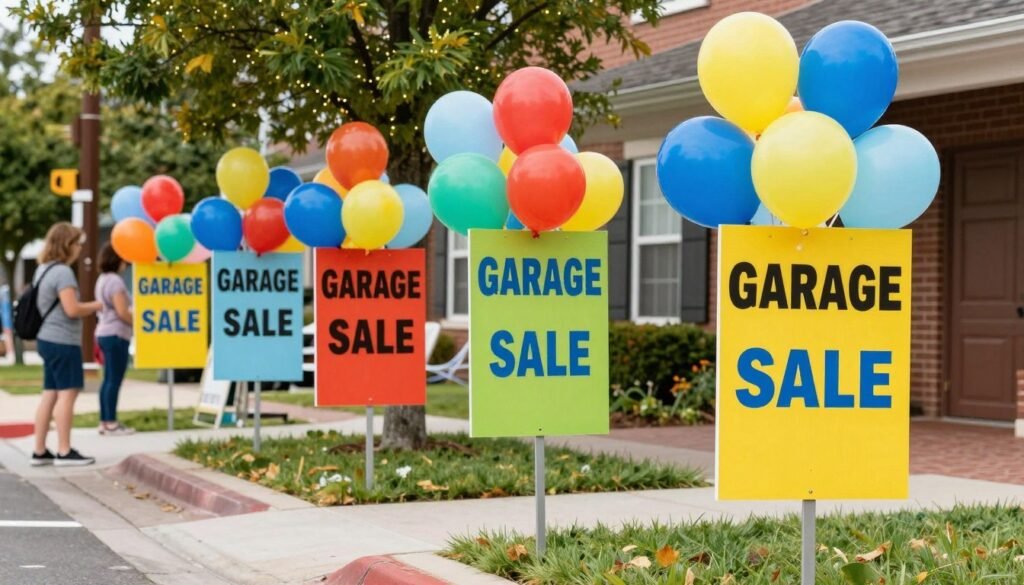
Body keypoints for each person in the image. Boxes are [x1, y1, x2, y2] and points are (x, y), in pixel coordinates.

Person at [31, 223, 102, 466]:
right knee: (67, 395)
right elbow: (72, 309)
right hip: (63, 340)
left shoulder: (42, 269)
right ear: (66, 245)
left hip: (46, 338)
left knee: (49, 394)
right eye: (77, 243)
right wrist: (96, 305)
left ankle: (39, 450)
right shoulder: (62, 272)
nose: (80, 248)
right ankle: (64, 450)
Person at [95, 244, 135, 436]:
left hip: (104, 332)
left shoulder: (102, 280)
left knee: (108, 379)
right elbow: (122, 312)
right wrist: (139, 323)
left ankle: (104, 420)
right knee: (114, 379)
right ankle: (111, 422)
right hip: (116, 334)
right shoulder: (116, 282)